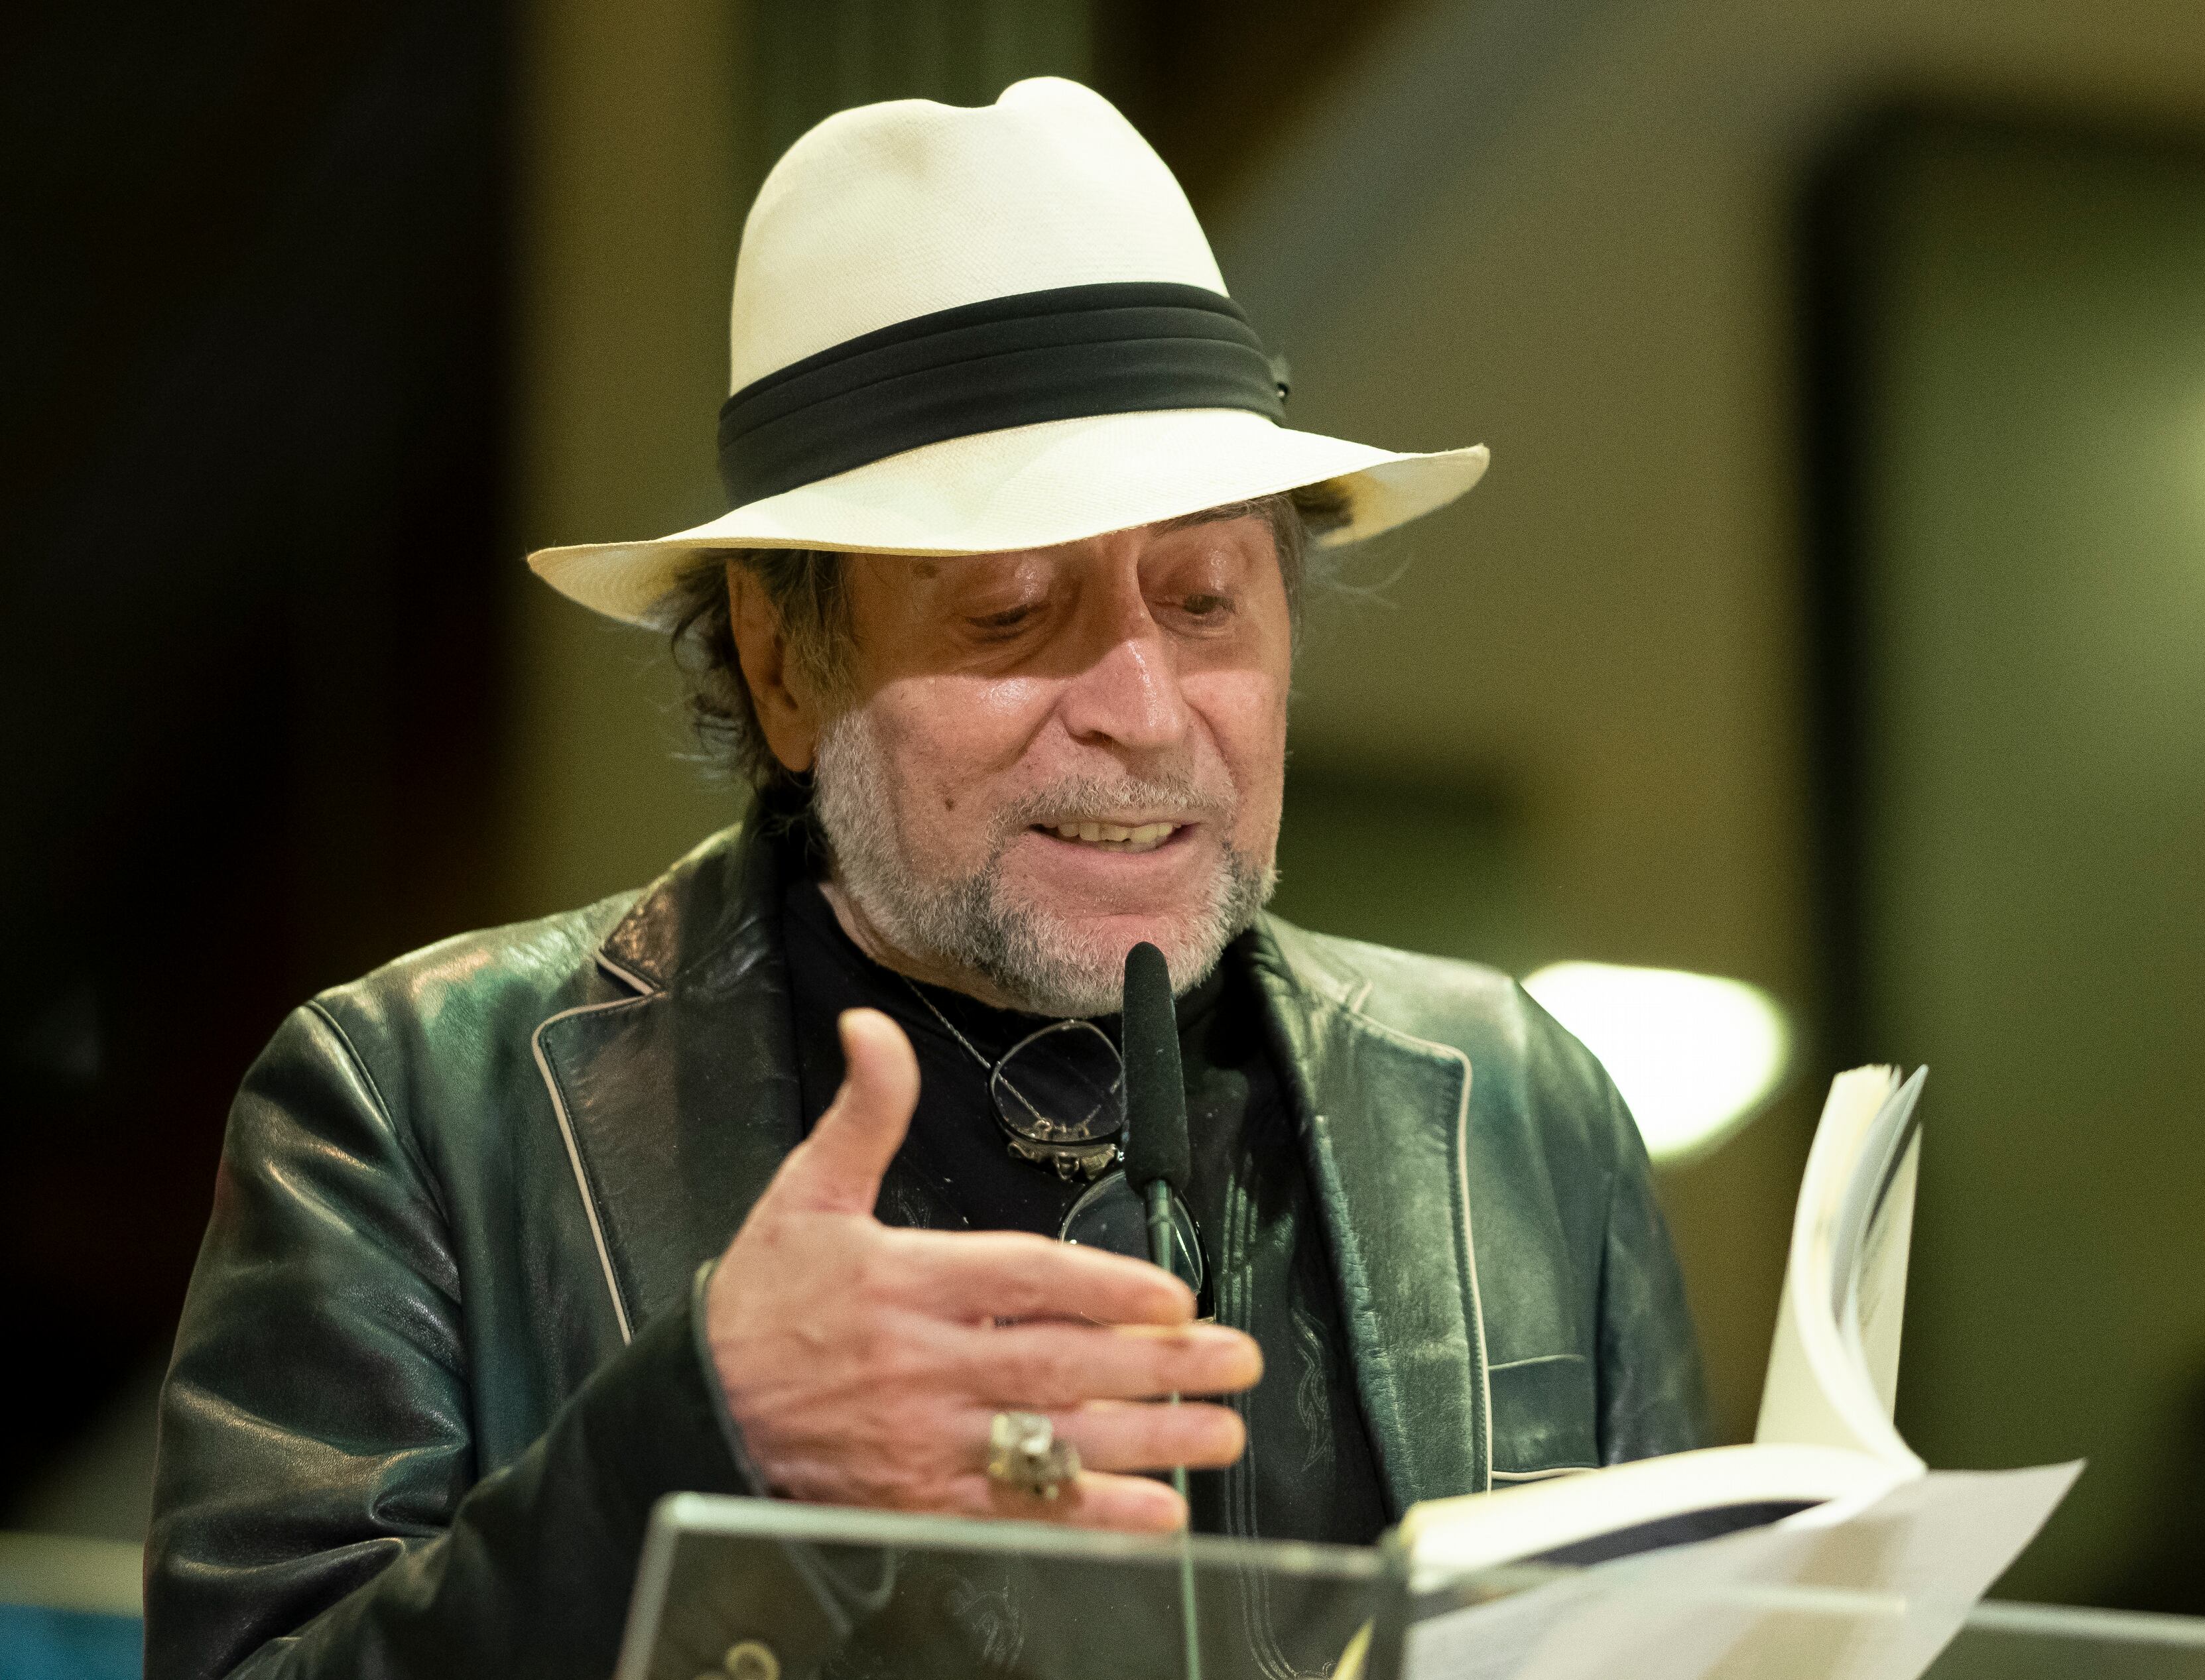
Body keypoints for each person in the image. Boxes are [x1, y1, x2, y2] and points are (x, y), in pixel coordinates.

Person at [145, 78, 1708, 1679]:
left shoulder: (1516, 1107)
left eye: (1206, 600)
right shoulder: (414, 1108)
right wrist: (695, 1441)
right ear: (781, 661)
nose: (1145, 711)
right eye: (1011, 614)